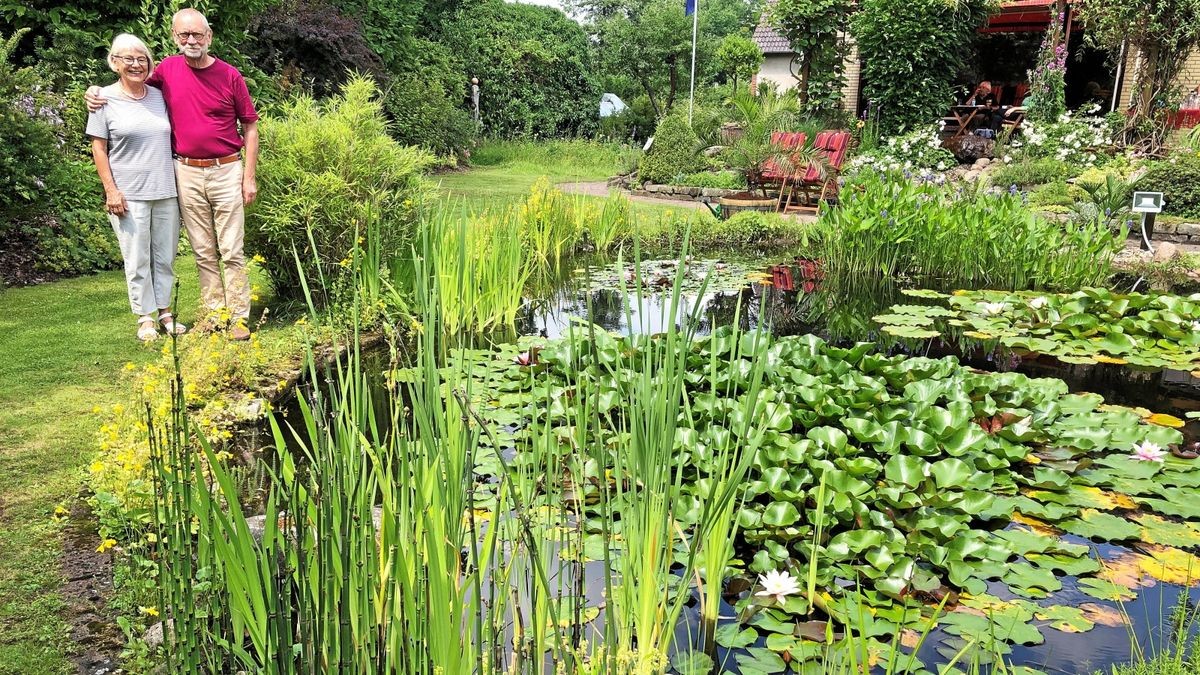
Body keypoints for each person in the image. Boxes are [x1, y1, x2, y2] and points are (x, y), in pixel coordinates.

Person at [87, 8, 259, 340]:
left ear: (209, 36)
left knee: (231, 250)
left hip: (226, 169)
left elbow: (250, 125)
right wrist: (96, 91)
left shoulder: (230, 75)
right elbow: (128, 86)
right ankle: (214, 315)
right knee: (203, 251)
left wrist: (248, 176)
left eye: (197, 34)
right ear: (175, 37)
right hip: (186, 171)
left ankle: (238, 317)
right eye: (184, 34)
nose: (191, 40)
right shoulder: (166, 70)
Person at [86, 34, 185, 342]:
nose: (136, 64)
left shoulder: (158, 95)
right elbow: (98, 148)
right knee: (137, 258)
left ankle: (165, 312)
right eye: (128, 59)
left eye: (142, 59)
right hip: (129, 194)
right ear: (114, 63)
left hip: (166, 189)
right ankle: (145, 317)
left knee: (164, 256)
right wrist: (111, 190)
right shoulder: (103, 99)